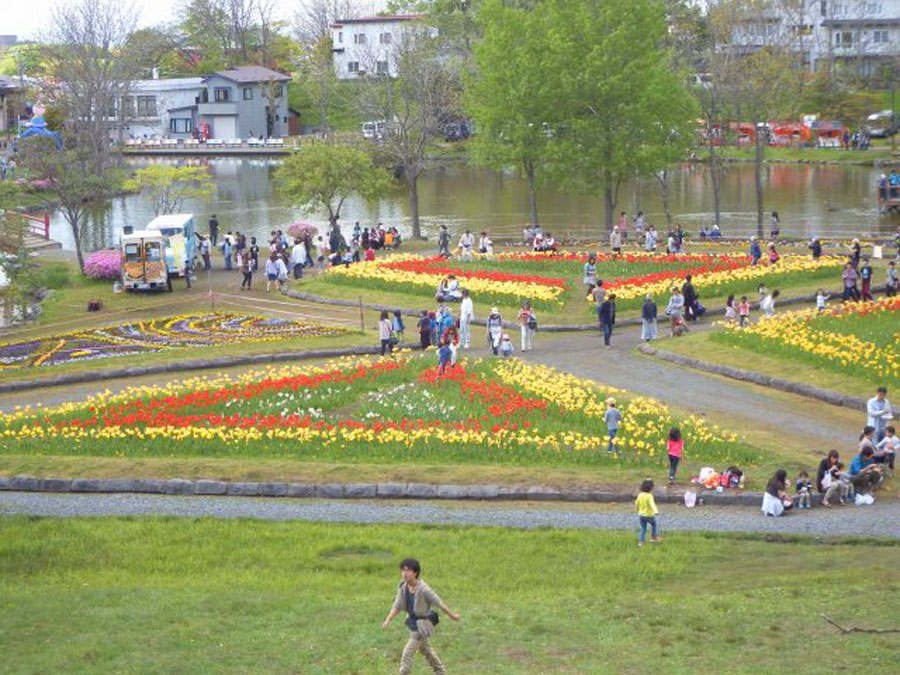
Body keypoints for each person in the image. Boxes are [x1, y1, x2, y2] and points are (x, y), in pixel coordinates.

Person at [382, 558, 461, 675]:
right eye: (403, 570)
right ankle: (440, 672)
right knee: (426, 649)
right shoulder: (403, 587)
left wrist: (452, 615)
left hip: (423, 625)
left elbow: (439, 603)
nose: (405, 573)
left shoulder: (424, 590)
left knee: (407, 653)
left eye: (408, 570)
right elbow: (397, 605)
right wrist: (388, 620)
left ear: (415, 573)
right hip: (413, 623)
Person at [635, 479, 661, 547]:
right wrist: (656, 511)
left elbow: (637, 503)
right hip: (649, 515)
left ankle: (641, 542)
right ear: (651, 488)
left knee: (643, 528)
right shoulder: (649, 496)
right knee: (654, 525)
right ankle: (653, 538)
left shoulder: (640, 495)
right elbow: (652, 504)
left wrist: (638, 510)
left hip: (641, 515)